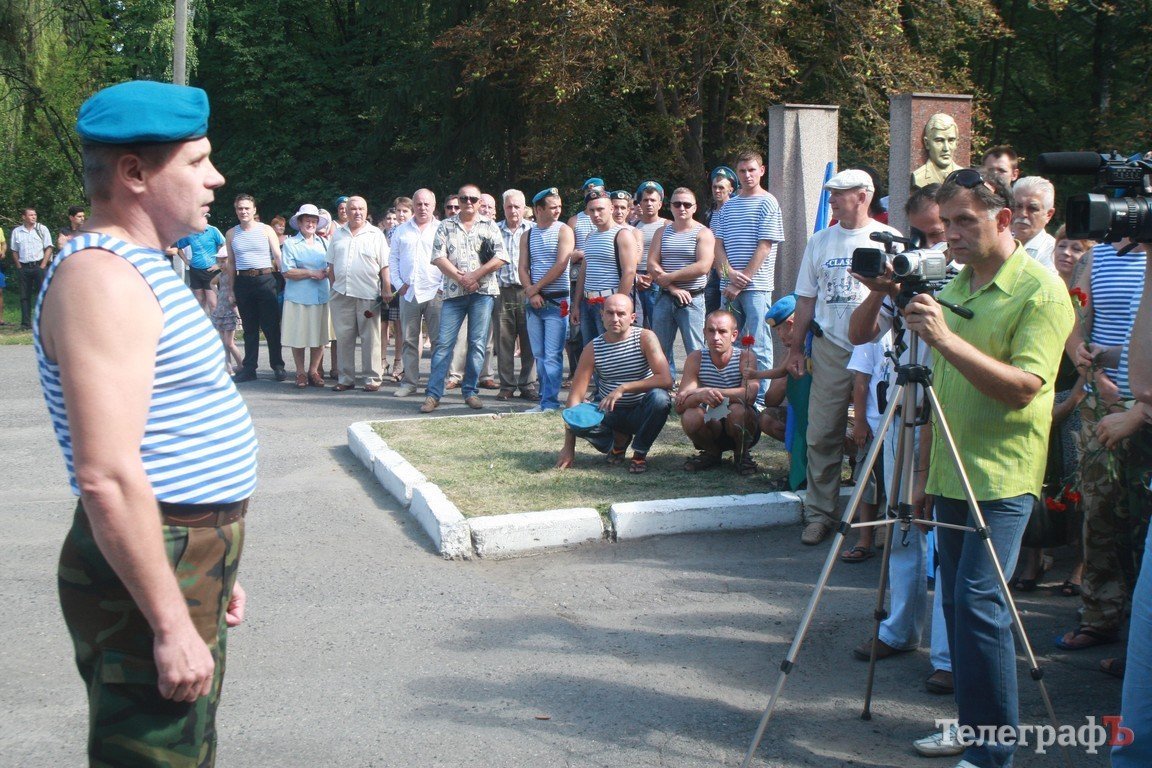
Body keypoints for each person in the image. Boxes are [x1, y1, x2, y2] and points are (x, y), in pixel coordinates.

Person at [36, 79, 256, 766]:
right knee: (154, 753)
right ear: (134, 173)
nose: (215, 179)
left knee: (184, 743)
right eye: (196, 163)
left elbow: (167, 432)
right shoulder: (102, 278)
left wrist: (213, 558)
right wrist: (167, 615)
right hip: (155, 550)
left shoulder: (140, 267)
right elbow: (105, 474)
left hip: (181, 548)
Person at [902, 168, 1073, 768]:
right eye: (944, 223)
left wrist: (946, 340)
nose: (950, 234)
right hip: (950, 471)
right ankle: (977, 729)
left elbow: (1026, 387)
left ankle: (992, 752)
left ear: (1004, 220)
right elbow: (938, 392)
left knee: (980, 605)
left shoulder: (1041, 290)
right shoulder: (958, 286)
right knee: (956, 606)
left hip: (1001, 476)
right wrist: (923, 473)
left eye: (963, 221)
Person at [786, 169, 901, 546]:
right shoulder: (820, 240)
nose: (832, 200)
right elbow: (805, 298)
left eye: (839, 193)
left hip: (879, 350)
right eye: (831, 193)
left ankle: (881, 517)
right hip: (832, 347)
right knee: (822, 433)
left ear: (863, 195)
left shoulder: (891, 239)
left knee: (881, 435)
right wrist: (795, 348)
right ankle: (821, 514)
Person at [556, 293, 672, 474]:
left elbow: (665, 379)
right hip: (611, 413)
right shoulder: (592, 349)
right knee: (577, 414)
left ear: (632, 317)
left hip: (642, 410)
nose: (615, 319)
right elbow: (574, 399)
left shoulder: (645, 338)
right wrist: (569, 447)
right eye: (609, 313)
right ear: (601, 315)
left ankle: (640, 453)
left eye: (621, 313)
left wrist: (623, 388)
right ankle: (618, 442)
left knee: (660, 399)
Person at [421, 184, 507, 413]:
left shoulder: (490, 225)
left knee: (477, 344)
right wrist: (462, 278)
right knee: (443, 345)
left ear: (480, 202)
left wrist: (476, 275)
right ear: (457, 200)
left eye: (473, 199)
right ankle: (433, 395)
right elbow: (438, 257)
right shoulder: (445, 226)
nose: (469, 202)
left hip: (483, 293)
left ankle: (470, 392)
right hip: (454, 294)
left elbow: (501, 257)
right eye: (464, 198)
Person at [712, 150, 785, 400]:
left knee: (758, 342)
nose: (747, 175)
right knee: (727, 341)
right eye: (742, 171)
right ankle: (732, 391)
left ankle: (760, 397)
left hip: (756, 287)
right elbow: (717, 246)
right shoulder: (727, 207)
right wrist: (728, 273)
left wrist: (741, 280)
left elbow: (765, 245)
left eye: (752, 170)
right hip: (728, 286)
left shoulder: (768, 202)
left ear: (761, 171)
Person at [675, 309, 759, 474]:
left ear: (734, 335)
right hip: (712, 422)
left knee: (737, 410)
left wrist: (709, 390)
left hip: (741, 423)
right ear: (704, 333)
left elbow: (749, 396)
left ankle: (742, 454)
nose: (716, 337)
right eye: (711, 331)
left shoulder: (745, 357)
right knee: (690, 415)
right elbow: (680, 405)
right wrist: (699, 395)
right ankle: (712, 453)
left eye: (722, 332)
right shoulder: (696, 358)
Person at [648, 187, 714, 378]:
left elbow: (703, 266)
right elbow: (652, 264)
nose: (682, 208)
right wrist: (672, 287)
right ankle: (664, 392)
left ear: (694, 207)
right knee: (659, 350)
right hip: (665, 296)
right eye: (677, 204)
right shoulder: (661, 232)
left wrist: (670, 277)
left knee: (695, 350)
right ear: (671, 207)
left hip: (693, 299)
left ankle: (698, 393)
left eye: (687, 204)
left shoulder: (704, 233)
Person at [328, 195, 391, 392]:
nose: (357, 212)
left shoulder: (375, 234)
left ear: (366, 211)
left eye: (361, 209)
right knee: (344, 337)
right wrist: (334, 286)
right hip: (341, 294)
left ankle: (372, 378)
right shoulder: (337, 234)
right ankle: (346, 378)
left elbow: (385, 265)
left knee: (370, 338)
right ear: (345, 211)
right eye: (353, 209)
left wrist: (386, 288)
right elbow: (330, 264)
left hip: (368, 295)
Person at [520, 187, 574, 412]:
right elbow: (522, 267)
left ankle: (550, 402)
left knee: (552, 354)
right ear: (538, 209)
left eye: (559, 206)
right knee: (539, 354)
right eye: (553, 207)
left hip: (556, 302)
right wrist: (531, 292)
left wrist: (535, 289)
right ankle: (544, 400)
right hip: (534, 303)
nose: (558, 211)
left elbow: (561, 264)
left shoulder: (564, 230)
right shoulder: (528, 234)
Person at [225, 194, 286, 382]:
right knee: (249, 328)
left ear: (254, 210)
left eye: (246, 208)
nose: (243, 212)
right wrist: (230, 290)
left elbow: (277, 256)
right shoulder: (231, 233)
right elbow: (231, 264)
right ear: (236, 211)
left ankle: (278, 365)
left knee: (271, 327)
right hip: (243, 282)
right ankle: (249, 368)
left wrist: (287, 280)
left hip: (266, 279)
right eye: (239, 208)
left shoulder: (266, 230)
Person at [571, 189, 639, 347]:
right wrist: (576, 304)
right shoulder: (590, 236)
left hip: (609, 302)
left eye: (600, 209)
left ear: (611, 209)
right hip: (588, 303)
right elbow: (583, 272)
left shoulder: (623, 235)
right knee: (592, 353)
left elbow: (629, 272)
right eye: (591, 210)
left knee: (613, 352)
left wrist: (617, 306)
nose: (595, 214)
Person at [392, 189, 442, 397]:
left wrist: (442, 285)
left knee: (439, 342)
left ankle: (436, 385)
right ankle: (410, 382)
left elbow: (452, 259)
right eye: (419, 204)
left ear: (433, 205)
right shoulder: (401, 230)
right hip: (409, 292)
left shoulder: (442, 229)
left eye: (426, 204)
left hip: (435, 292)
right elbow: (392, 259)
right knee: (409, 340)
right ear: (413, 205)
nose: (422, 208)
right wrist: (397, 283)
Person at [280, 204, 332, 388]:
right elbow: (286, 271)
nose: (310, 223)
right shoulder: (290, 243)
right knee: (299, 336)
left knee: (320, 337)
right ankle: (300, 372)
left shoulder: (325, 242)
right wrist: (311, 273)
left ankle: (314, 371)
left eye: (314, 220)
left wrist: (327, 270)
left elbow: (331, 265)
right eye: (307, 220)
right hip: (298, 297)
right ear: (300, 223)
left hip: (321, 295)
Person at [495, 189, 538, 401]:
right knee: (504, 340)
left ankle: (528, 384)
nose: (513, 210)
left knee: (529, 338)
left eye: (517, 206)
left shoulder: (534, 230)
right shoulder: (493, 230)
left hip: (527, 291)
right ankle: (506, 385)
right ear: (503, 208)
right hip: (502, 292)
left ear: (524, 208)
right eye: (509, 206)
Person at [632, 180, 671, 328]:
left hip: (657, 281)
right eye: (645, 200)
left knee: (659, 330)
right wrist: (635, 277)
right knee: (636, 330)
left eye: (653, 200)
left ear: (660, 204)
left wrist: (653, 275)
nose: (649, 203)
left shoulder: (667, 226)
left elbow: (669, 254)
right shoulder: (632, 226)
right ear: (639, 204)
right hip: (635, 280)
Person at [9, 207, 53, 329]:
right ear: (24, 217)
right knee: (24, 296)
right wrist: (18, 266)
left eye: (35, 214)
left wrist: (43, 264)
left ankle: (44, 323)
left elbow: (49, 247)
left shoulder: (41, 229)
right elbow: (14, 251)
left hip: (39, 265)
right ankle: (25, 323)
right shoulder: (17, 232)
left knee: (42, 295)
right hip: (24, 267)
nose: (34, 217)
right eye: (31, 215)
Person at [705, 165, 737, 315]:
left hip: (729, 272)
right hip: (712, 273)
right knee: (711, 316)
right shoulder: (709, 213)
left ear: (730, 189)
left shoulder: (736, 211)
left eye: (721, 187)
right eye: (714, 187)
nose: (717, 191)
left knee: (730, 317)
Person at [175, 221, 226, 314]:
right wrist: (186, 261)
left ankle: (216, 326)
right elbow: (178, 247)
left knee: (212, 303)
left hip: (211, 270)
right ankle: (201, 326)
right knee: (199, 300)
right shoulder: (190, 233)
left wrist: (219, 264)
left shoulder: (213, 230)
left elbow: (225, 245)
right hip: (195, 270)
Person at [1010, 176, 1057, 271]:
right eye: (1018, 206)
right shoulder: (998, 242)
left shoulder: (1053, 253)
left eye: (1032, 208)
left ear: (1049, 214)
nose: (1023, 214)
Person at [911, 113, 961, 189]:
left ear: (956, 143)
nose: (946, 148)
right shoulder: (919, 176)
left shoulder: (964, 175)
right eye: (939, 141)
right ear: (927, 143)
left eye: (951, 140)